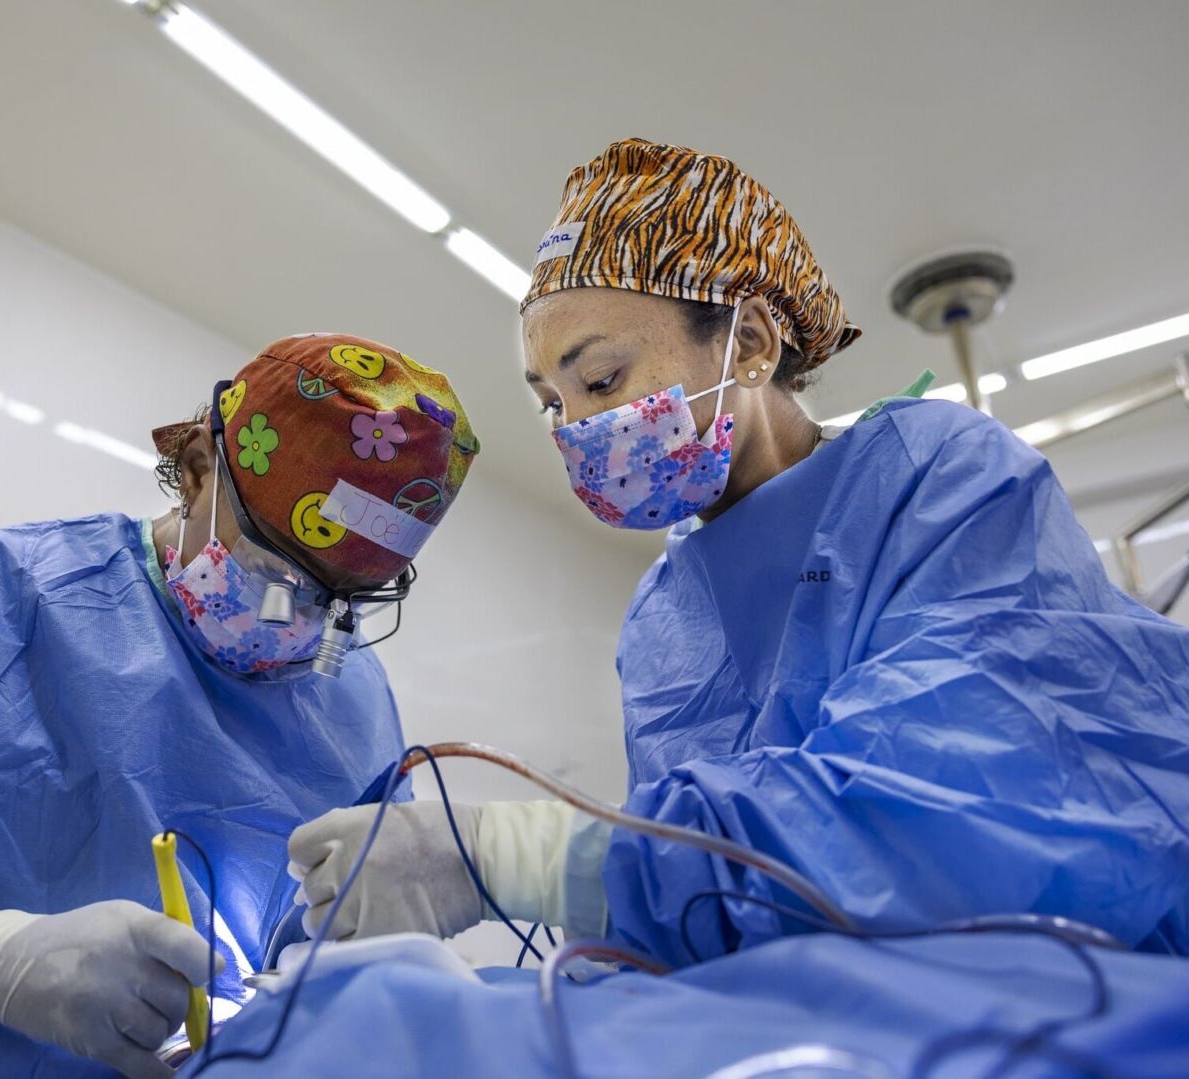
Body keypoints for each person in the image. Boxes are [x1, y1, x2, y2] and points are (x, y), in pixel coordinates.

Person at [289, 139, 1189, 967]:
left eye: (600, 379)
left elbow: (957, 812)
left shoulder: (939, 478)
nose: (579, 429)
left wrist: (517, 856)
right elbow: (707, 909)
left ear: (752, 342)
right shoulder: (662, 614)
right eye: (555, 403)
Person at [0, 332, 479, 1078]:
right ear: (198, 471)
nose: (298, 626)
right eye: (274, 575)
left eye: (345, 605)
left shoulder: (352, 694)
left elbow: (350, 923)